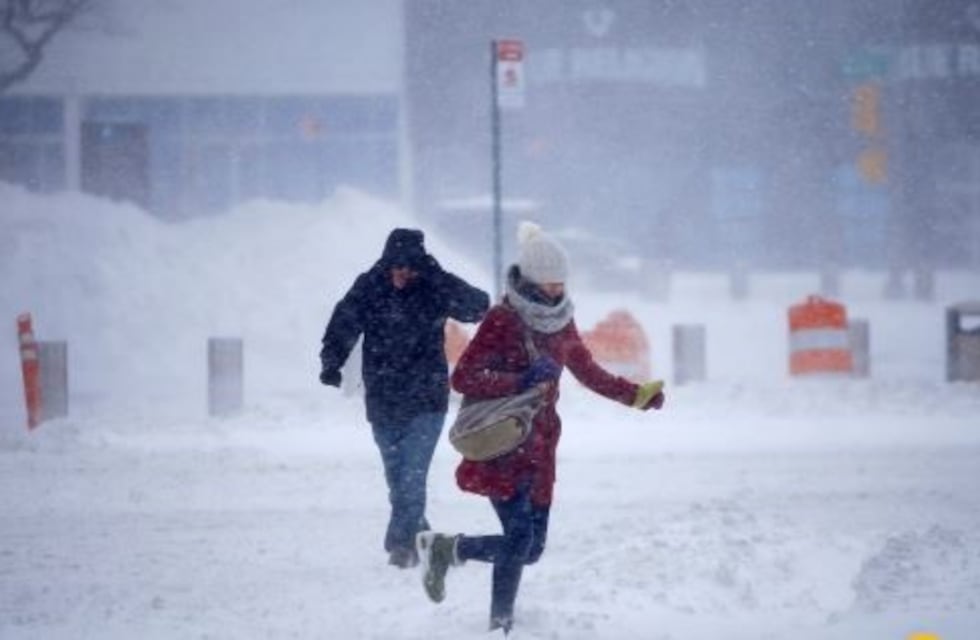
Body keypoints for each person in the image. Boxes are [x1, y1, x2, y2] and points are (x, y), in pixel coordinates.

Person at [415, 222, 666, 634]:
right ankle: (500, 625)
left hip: (541, 447)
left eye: (560, 282)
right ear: (529, 279)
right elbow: (463, 378)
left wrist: (634, 396)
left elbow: (588, 371)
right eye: (548, 282)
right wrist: (522, 379)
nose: (555, 289)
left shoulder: (563, 322)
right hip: (503, 442)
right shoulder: (503, 319)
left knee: (531, 549)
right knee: (517, 539)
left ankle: (448, 548)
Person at [319, 228, 490, 568]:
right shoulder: (370, 286)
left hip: (426, 400)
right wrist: (331, 362)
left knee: (412, 476)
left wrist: (435, 277)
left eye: (409, 268)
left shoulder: (433, 287)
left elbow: (478, 306)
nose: (400, 274)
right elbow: (343, 322)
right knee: (397, 479)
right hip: (383, 400)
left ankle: (401, 546)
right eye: (395, 267)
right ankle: (422, 538)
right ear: (386, 264)